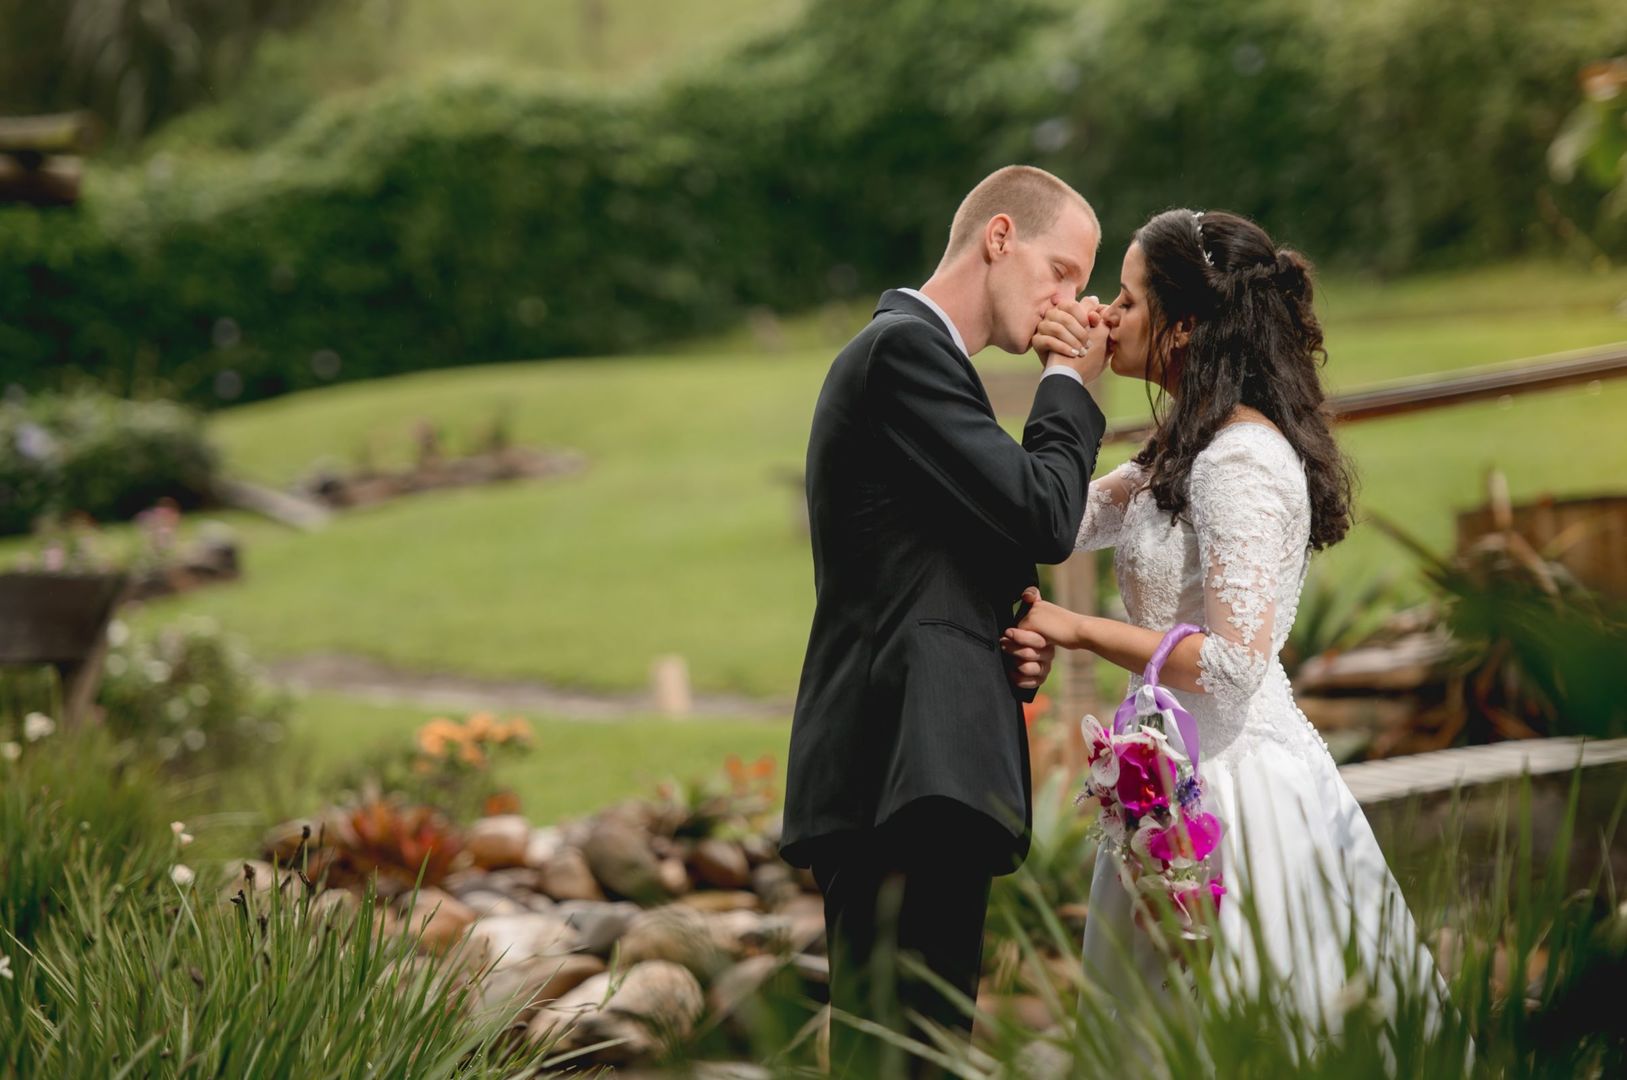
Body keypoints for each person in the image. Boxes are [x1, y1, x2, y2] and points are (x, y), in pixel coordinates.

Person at [1005, 208, 1445, 1043]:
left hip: (1237, 800)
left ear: (1184, 327)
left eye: (1126, 301)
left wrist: (1077, 628)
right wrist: (1067, 376)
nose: (1103, 311)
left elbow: (1236, 665)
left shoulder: (1239, 461)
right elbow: (1050, 525)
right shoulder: (1179, 451)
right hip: (1167, 788)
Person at [778, 165, 1110, 1075]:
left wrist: (1009, 633)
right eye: (1062, 272)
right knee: (904, 1058)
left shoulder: (925, 369)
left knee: (915, 1054)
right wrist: (1068, 384)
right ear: (999, 237)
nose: (1068, 302)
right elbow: (1042, 512)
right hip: (901, 770)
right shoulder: (902, 352)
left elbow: (958, 552)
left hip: (916, 769)